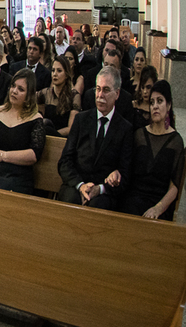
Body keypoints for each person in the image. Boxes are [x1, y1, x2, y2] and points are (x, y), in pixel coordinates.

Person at [55, 66, 133, 209]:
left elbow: (125, 175)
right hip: (76, 186)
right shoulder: (80, 121)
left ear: (117, 94)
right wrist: (81, 186)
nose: (100, 95)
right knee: (70, 200)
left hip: (104, 193)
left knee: (98, 206)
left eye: (106, 90)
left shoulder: (125, 129)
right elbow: (65, 161)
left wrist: (101, 188)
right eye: (98, 89)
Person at [117, 80, 183, 220]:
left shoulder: (176, 141)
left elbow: (174, 185)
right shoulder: (139, 135)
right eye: (152, 102)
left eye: (160, 101)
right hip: (134, 197)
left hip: (159, 202)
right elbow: (127, 169)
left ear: (169, 105)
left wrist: (158, 208)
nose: (155, 106)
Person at [39, 56, 81, 137]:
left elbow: (70, 128)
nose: (55, 74)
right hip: (45, 137)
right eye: (53, 70)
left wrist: (52, 134)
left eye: (59, 71)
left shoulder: (74, 96)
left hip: (63, 139)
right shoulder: (45, 93)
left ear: (66, 74)